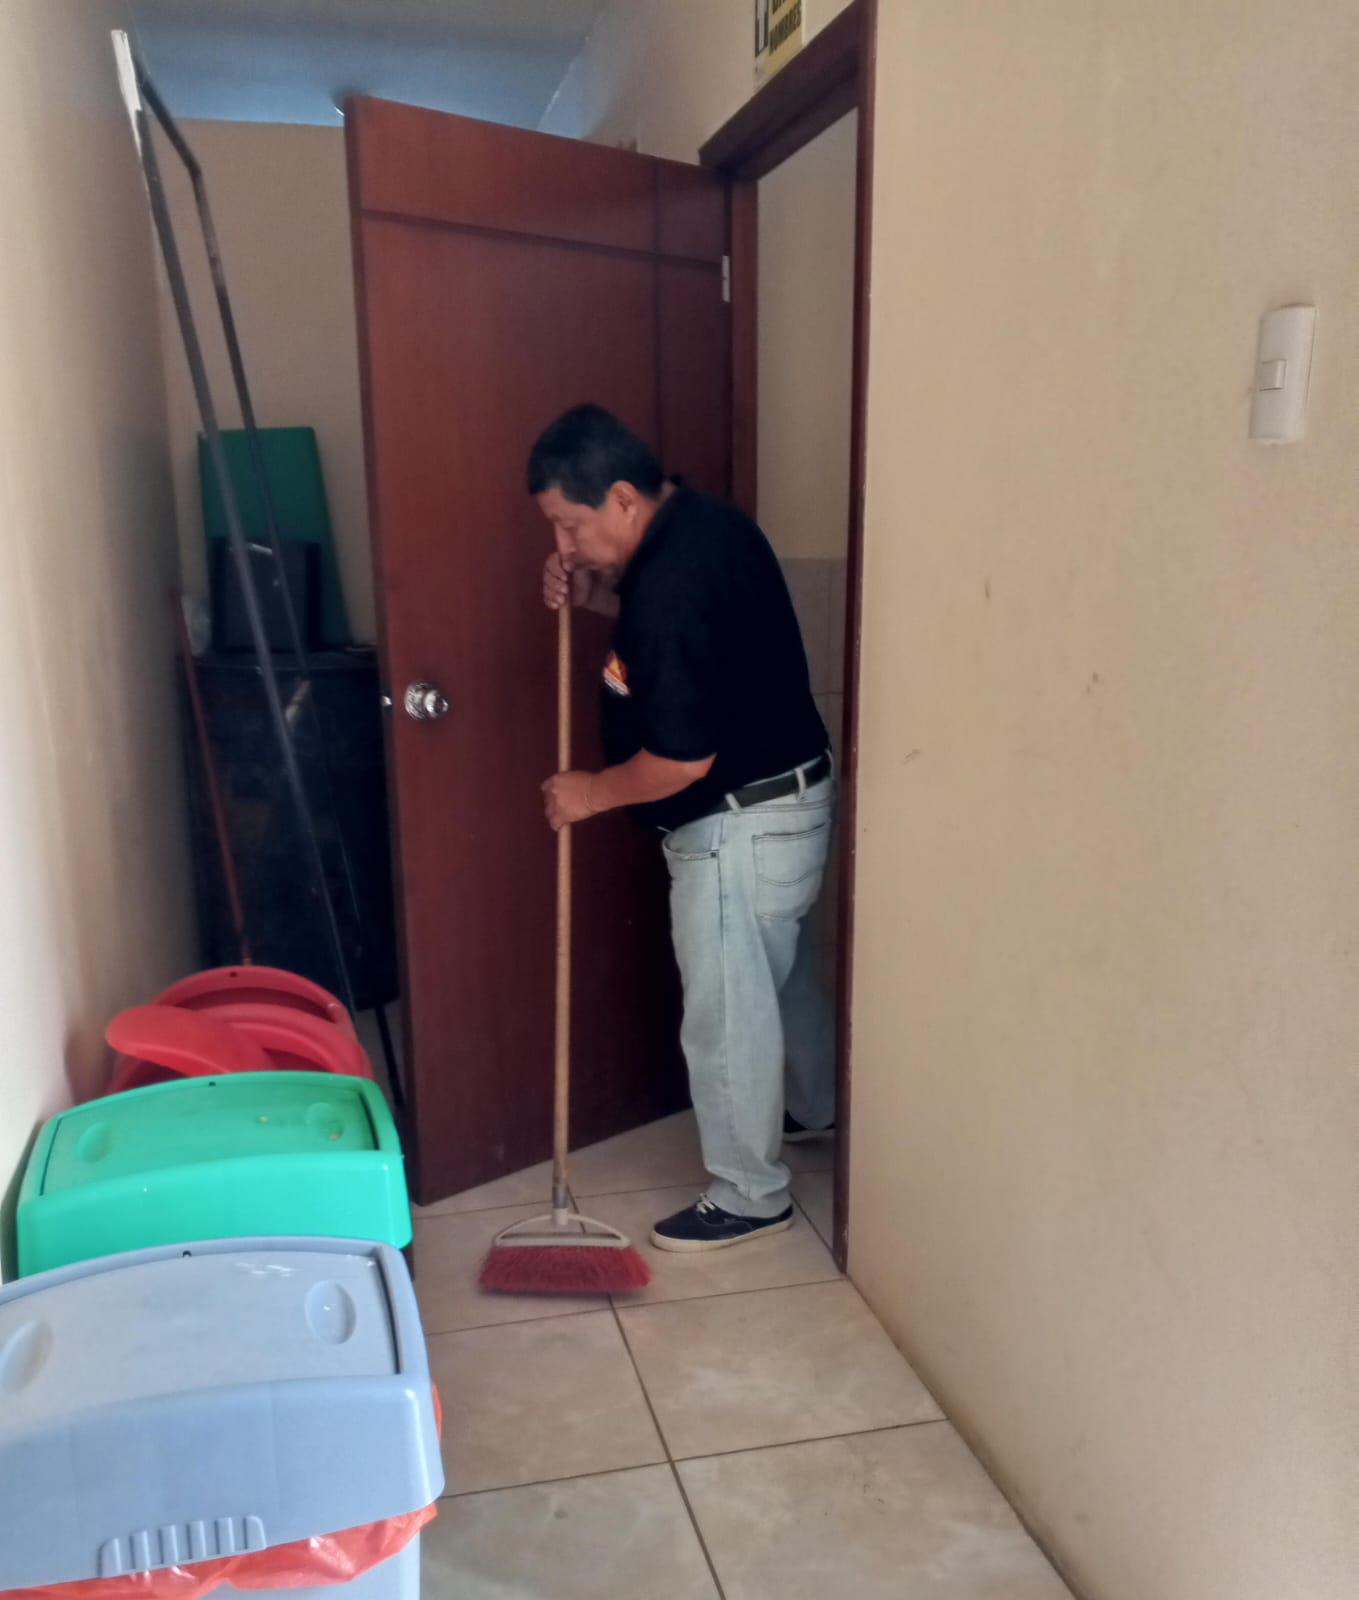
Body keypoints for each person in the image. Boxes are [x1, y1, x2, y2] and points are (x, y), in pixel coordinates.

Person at [528, 404, 835, 1252]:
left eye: (571, 524)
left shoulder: (669, 585)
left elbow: (680, 760)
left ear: (623, 498)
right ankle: (815, 1109)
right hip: (788, 802)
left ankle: (750, 1193)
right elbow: (691, 642)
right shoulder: (703, 526)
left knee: (727, 1012)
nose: (563, 543)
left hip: (737, 824)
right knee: (777, 980)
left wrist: (589, 793)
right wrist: (594, 591)